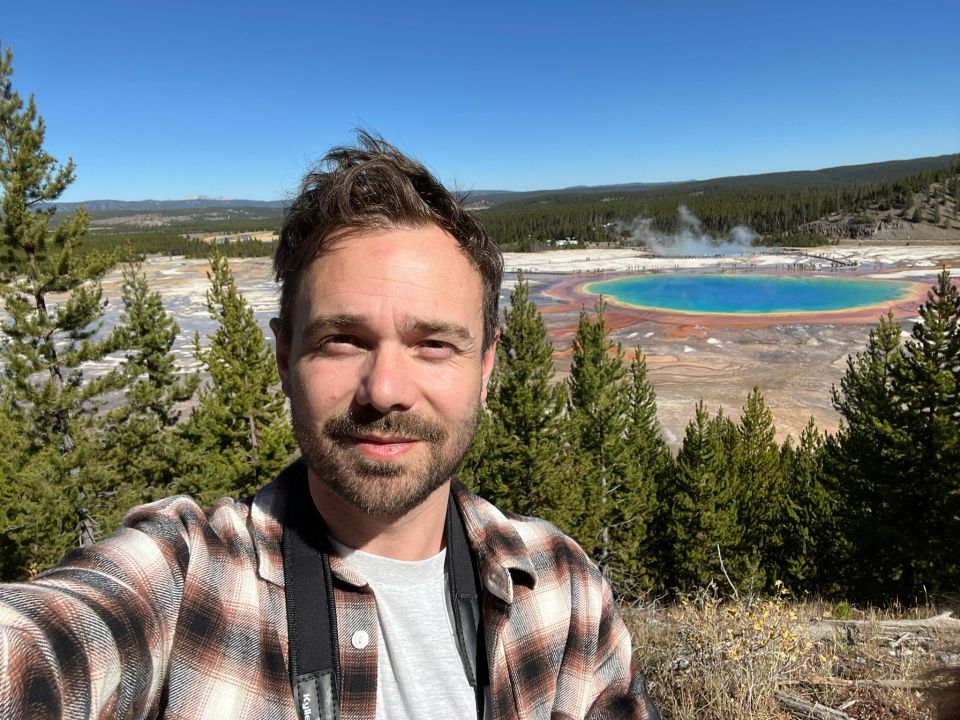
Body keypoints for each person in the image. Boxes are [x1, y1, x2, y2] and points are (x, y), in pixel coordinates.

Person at [0, 133, 659, 720]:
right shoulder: (189, 580)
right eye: (342, 339)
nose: (385, 390)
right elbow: (41, 643)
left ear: (486, 366)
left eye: (434, 343)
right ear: (285, 359)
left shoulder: (561, 593)